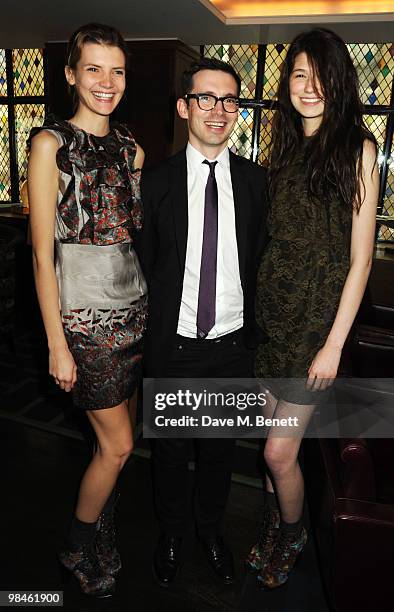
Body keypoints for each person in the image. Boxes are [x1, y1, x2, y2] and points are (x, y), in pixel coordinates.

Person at [245, 28, 379, 589]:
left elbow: (362, 261)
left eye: (320, 74)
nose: (308, 86)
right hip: (271, 318)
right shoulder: (285, 147)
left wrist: (333, 344)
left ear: (339, 81)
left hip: (313, 329)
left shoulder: (359, 149)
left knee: (279, 452)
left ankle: (294, 532)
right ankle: (279, 521)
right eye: (299, 73)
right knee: (267, 443)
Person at [137, 57, 268, 586]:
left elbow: (260, 258)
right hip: (175, 347)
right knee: (169, 452)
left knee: (217, 452)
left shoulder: (259, 183)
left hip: (232, 347)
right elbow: (144, 262)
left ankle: (212, 532)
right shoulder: (156, 182)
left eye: (229, 100)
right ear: (184, 106)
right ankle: (171, 533)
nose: (218, 110)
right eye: (206, 98)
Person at [28, 23, 147, 597]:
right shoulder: (49, 144)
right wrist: (56, 342)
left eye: (117, 70)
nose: (107, 81)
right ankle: (77, 545)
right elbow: (41, 254)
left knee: (112, 445)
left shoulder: (131, 148)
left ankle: (102, 529)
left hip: (133, 316)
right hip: (84, 322)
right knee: (119, 445)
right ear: (71, 74)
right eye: (94, 69)